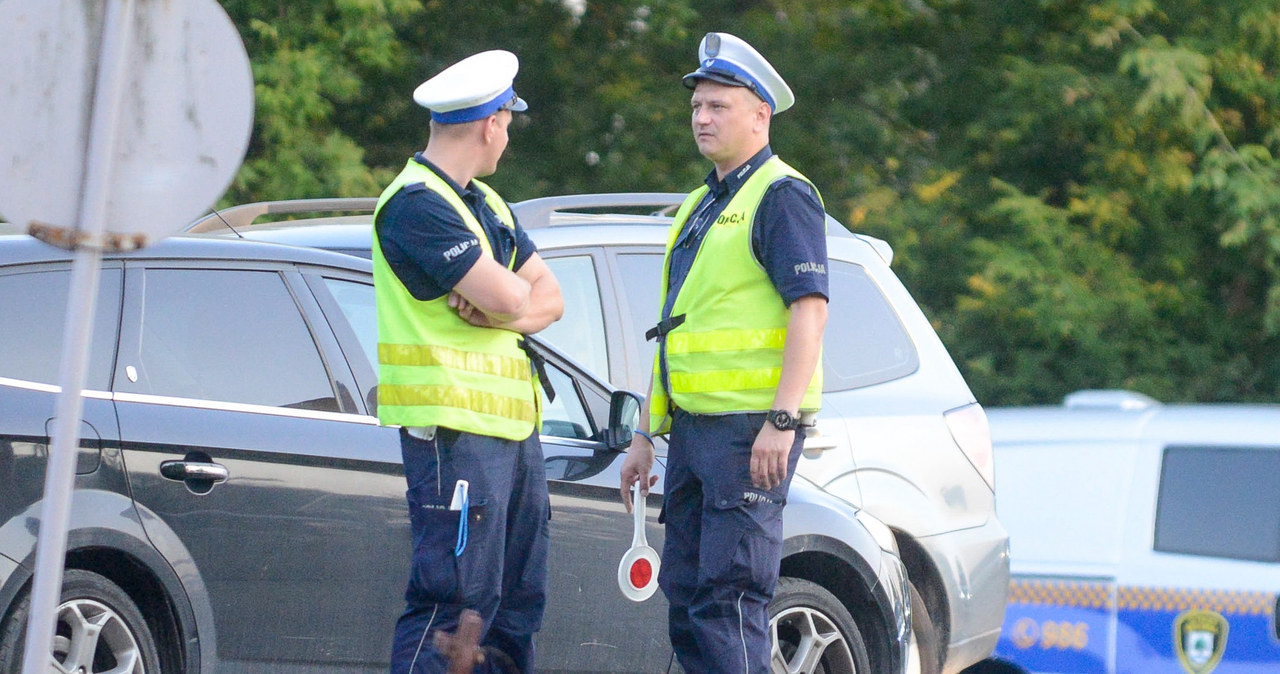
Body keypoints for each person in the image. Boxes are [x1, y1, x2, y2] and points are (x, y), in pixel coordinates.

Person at [618, 32, 829, 673]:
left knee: (728, 603)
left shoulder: (781, 195)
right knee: (687, 600)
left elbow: (810, 310)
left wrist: (782, 420)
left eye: (719, 106)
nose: (702, 118)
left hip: (750, 435)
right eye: (697, 107)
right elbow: (677, 328)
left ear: (760, 115)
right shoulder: (702, 203)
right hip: (693, 433)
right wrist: (645, 434)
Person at [374, 49, 563, 674]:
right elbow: (519, 293)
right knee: (453, 610)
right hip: (453, 438)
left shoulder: (488, 205)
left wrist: (499, 303)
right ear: (491, 124)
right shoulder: (414, 204)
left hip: (511, 436)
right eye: (508, 120)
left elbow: (550, 299)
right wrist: (512, 297)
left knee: (512, 613)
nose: (507, 134)